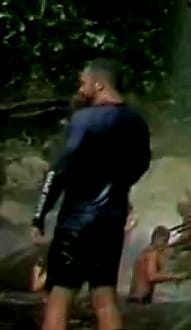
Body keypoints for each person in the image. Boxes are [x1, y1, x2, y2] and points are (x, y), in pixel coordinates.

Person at [31, 57, 151, 330]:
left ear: (99, 83)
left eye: (83, 82)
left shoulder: (84, 119)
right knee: (105, 298)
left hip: (76, 221)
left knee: (59, 296)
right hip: (111, 221)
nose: (80, 88)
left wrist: (39, 215)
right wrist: (119, 189)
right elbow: (141, 164)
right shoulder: (136, 122)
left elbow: (59, 169)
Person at [128, 227, 182, 304]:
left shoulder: (145, 252)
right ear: (158, 239)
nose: (166, 244)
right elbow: (152, 277)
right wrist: (174, 276)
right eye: (165, 241)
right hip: (141, 300)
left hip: (134, 299)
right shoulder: (152, 254)